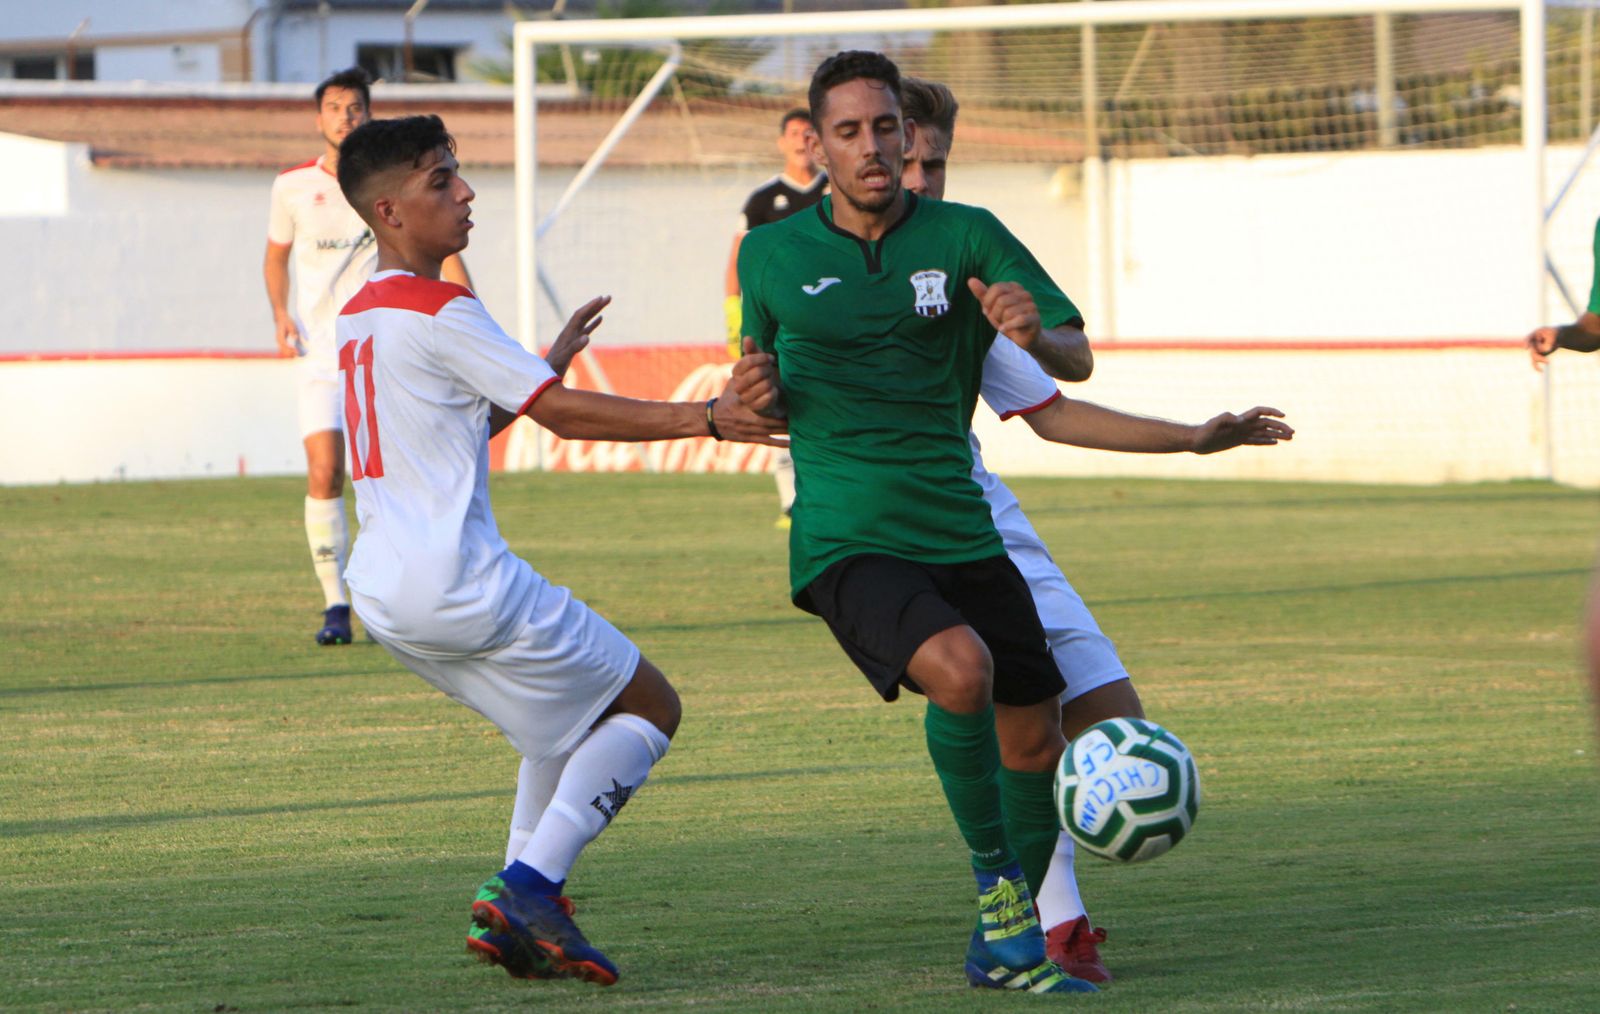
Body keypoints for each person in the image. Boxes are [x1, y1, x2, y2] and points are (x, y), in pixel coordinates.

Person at [331, 113, 785, 986]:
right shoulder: (442, 305)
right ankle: (530, 887)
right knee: (651, 707)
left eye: (459, 174)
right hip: (459, 584)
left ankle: (514, 920)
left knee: (559, 730)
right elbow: (557, 417)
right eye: (441, 181)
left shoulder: (358, 316)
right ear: (388, 211)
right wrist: (709, 417)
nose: (465, 193)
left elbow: (459, 425)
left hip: (386, 595)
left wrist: (540, 365)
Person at [732, 50, 1121, 995]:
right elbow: (757, 387)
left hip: (963, 531)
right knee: (963, 669)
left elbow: (1074, 362)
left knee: (1034, 738)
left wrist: (1038, 334)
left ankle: (1008, 940)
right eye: (849, 131)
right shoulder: (771, 254)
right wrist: (754, 391)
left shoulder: (968, 235)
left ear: (909, 138)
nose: (872, 147)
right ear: (816, 146)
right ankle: (999, 894)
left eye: (886, 129)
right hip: (847, 538)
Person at [899, 75, 1292, 982]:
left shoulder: (963, 271)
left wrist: (1192, 438)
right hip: (892, 532)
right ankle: (1050, 917)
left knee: (1113, 724)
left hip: (986, 518)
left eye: (937, 162)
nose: (922, 179)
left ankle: (1045, 907)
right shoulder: (821, 271)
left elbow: (1056, 405)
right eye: (906, 158)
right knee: (1009, 718)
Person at [264, 66, 471, 646]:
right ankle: (336, 606)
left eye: (354, 108)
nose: (345, 117)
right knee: (325, 470)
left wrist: (466, 302)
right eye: (334, 108)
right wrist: (280, 313)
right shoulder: (291, 188)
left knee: (386, 478)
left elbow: (437, 244)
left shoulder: (392, 184)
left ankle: (395, 600)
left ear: (368, 113)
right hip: (322, 355)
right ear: (319, 117)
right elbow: (275, 258)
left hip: (387, 347)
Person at [722, 108, 827, 529]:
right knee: (775, 401)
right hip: (778, 322)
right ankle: (790, 504)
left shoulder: (837, 193)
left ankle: (826, 494)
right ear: (782, 142)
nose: (803, 142)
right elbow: (737, 257)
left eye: (809, 134)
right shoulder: (762, 200)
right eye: (795, 134)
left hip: (829, 319)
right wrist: (734, 311)